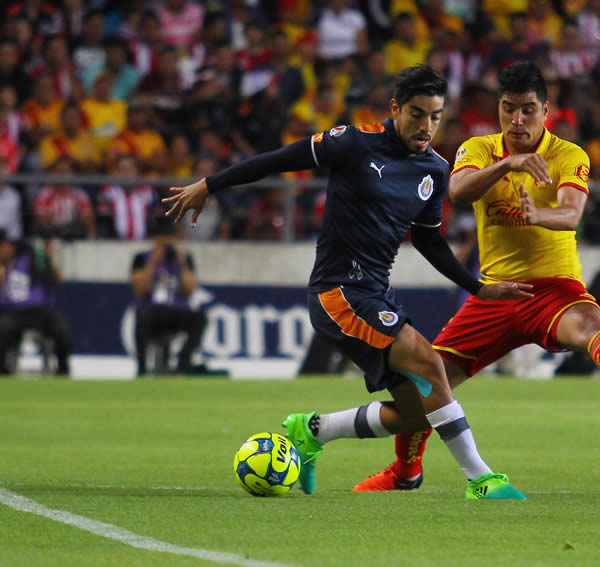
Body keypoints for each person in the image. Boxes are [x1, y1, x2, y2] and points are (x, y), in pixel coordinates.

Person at [162, 65, 533, 500]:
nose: (426, 126)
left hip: (376, 293)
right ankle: (481, 480)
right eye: (417, 114)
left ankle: (313, 431)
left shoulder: (434, 170)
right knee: (431, 365)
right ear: (395, 108)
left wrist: (478, 287)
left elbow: (428, 240)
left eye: (435, 117)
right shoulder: (354, 143)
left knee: (416, 413)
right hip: (337, 291)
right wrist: (210, 185)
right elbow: (279, 160)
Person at [352, 62, 600, 493]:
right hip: (496, 294)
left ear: (546, 111)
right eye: (508, 108)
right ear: (499, 108)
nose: (517, 120)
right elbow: (458, 191)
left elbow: (571, 213)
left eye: (528, 110)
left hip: (554, 288)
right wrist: (509, 165)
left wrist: (539, 215)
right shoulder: (479, 148)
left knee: (589, 327)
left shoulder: (569, 154)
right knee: (426, 383)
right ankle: (405, 472)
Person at [130, 217, 207, 376]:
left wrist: (182, 264)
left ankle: (182, 365)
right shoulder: (141, 258)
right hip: (151, 310)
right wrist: (153, 262)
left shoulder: (184, 258)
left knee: (200, 318)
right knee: (141, 316)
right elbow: (140, 289)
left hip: (176, 310)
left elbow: (190, 289)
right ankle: (142, 368)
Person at [0, 231, 72, 376]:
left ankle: (63, 369)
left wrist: (47, 260)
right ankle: (3, 370)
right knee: (3, 328)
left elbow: (57, 278)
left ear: (7, 246)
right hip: (12, 312)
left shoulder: (32, 258)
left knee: (62, 330)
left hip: (40, 310)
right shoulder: (3, 268)